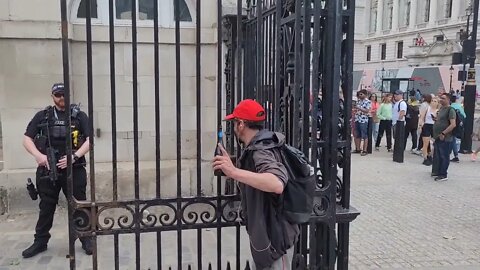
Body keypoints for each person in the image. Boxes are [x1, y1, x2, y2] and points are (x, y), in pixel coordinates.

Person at [212, 99, 299, 270]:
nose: (234, 128)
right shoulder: (261, 144)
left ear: (241, 124)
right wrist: (235, 165)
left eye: (234, 123)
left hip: (275, 239)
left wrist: (234, 172)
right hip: (269, 235)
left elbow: (276, 183)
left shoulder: (261, 149)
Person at [22, 83, 92, 258]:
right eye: (58, 94)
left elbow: (91, 140)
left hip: (73, 169)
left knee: (79, 205)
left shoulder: (79, 116)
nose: (62, 98)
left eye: (64, 94)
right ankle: (40, 242)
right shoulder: (42, 116)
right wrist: (39, 156)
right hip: (47, 169)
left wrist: (74, 157)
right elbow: (26, 138)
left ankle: (86, 239)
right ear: (52, 96)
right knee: (46, 207)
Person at [432, 93, 456, 181]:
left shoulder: (451, 110)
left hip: (445, 138)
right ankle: (438, 171)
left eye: (443, 98)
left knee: (444, 156)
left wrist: (443, 133)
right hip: (437, 136)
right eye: (440, 98)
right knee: (438, 155)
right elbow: (441, 120)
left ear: (448, 100)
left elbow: (453, 124)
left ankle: (443, 174)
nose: (441, 100)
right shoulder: (441, 108)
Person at [418, 95, 437, 166]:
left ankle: (430, 155)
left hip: (434, 126)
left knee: (435, 143)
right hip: (427, 125)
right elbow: (422, 117)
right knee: (425, 143)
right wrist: (421, 125)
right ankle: (425, 158)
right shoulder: (427, 108)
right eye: (432, 101)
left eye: (435, 101)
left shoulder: (438, 110)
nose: (433, 102)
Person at [353, 89, 371, 156]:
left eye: (361, 94)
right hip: (357, 119)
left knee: (364, 135)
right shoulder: (358, 101)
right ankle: (358, 149)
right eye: (359, 94)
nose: (360, 95)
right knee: (357, 135)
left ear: (365, 94)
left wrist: (358, 108)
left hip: (363, 120)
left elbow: (367, 111)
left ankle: (365, 150)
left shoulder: (368, 102)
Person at [449, 95, 466, 163]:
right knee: (456, 140)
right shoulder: (459, 106)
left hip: (452, 125)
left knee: (452, 140)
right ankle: (455, 155)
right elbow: (464, 116)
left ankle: (455, 155)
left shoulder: (450, 107)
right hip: (459, 125)